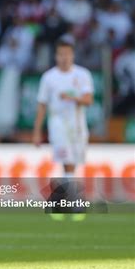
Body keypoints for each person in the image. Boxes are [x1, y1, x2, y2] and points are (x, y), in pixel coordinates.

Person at [33, 38, 94, 178]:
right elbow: (42, 105)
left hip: (77, 124)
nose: (64, 58)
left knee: (74, 162)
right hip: (58, 124)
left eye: (67, 54)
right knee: (67, 160)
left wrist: (72, 98)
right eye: (61, 54)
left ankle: (68, 193)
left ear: (73, 55)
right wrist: (37, 131)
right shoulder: (48, 77)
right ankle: (70, 196)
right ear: (56, 56)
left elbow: (88, 100)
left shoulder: (82, 74)